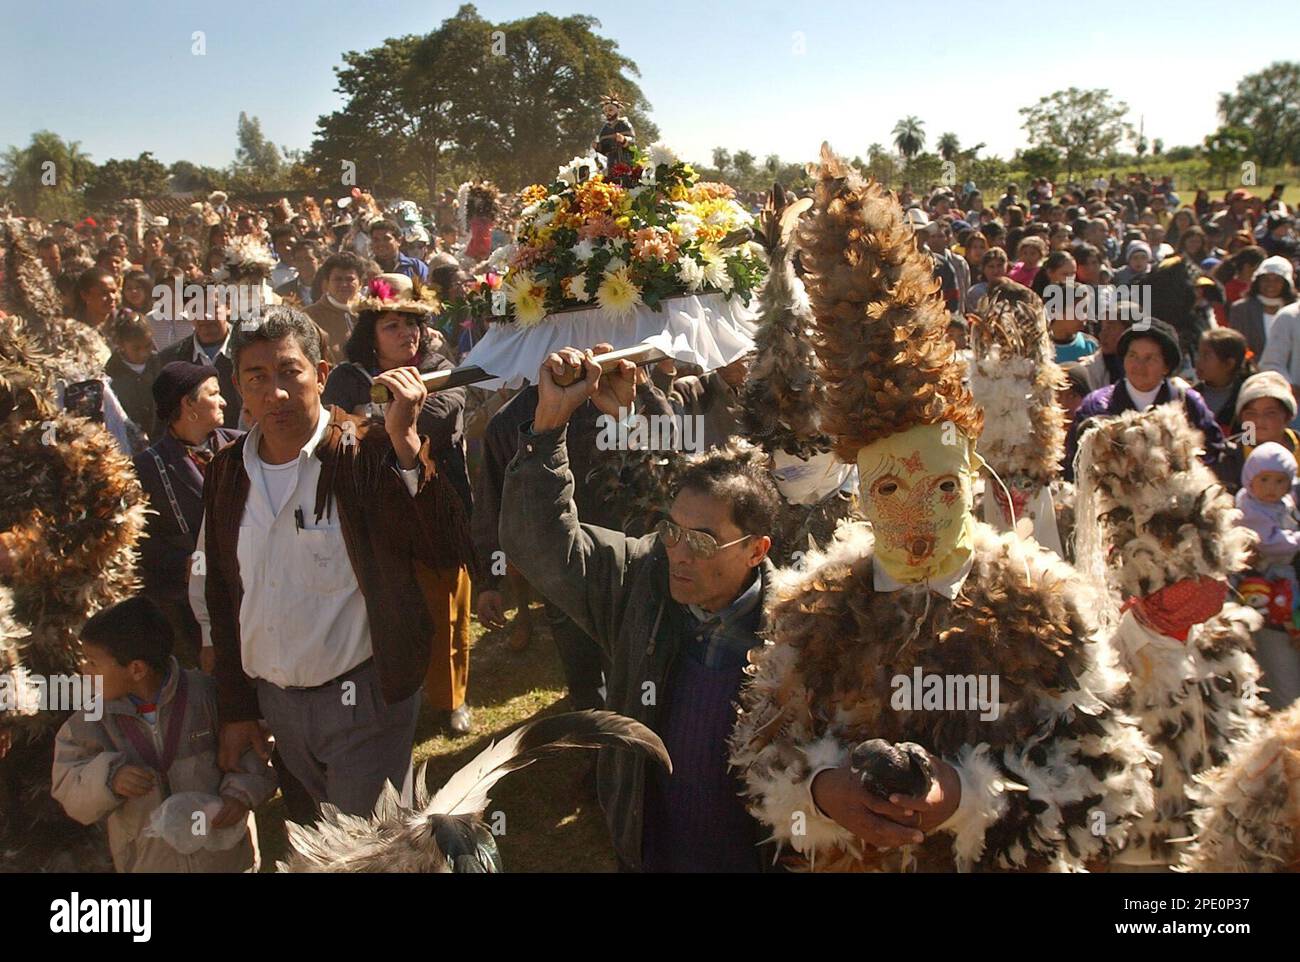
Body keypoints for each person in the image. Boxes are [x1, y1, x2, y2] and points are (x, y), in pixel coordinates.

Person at [499, 345, 779, 871]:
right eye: (671, 530)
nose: (677, 551)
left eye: (700, 540)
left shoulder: (795, 630)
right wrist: (548, 427)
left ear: (756, 550)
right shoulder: (640, 582)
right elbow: (537, 543)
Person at [202, 306, 474, 818]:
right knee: (313, 841)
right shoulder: (226, 474)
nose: (275, 393)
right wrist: (239, 708)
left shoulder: (365, 452)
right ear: (238, 387)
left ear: (322, 374)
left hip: (365, 701)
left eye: (289, 372)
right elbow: (222, 591)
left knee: (364, 851)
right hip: (277, 709)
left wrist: (408, 444)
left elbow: (442, 548)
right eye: (257, 377)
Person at [320, 274, 475, 734]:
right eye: (393, 324)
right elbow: (337, 434)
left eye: (413, 322)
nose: (408, 333)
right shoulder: (349, 378)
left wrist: (371, 419)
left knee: (447, 605)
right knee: (388, 607)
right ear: (371, 333)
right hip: (376, 514)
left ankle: (451, 700)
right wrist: (371, 420)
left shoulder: (446, 371)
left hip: (436, 508)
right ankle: (397, 694)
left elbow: (427, 419)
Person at [50, 596, 276, 873]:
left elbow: (252, 750)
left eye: (93, 663)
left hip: (224, 861)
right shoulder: (90, 721)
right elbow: (68, 785)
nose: (84, 671)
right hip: (148, 863)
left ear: (136, 669)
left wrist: (240, 795)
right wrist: (109, 778)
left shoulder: (207, 696)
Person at [134, 362, 242, 667]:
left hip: (250, 592)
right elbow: (137, 539)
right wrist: (181, 563)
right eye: (214, 393)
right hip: (189, 611)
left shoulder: (240, 447)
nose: (223, 401)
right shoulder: (147, 467)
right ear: (188, 404)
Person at [1066, 318, 1225, 480]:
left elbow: (1213, 452)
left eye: (1150, 358)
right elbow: (1076, 460)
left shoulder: (1187, 404)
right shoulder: (1097, 406)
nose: (1139, 365)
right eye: (1133, 355)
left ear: (1166, 366)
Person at [1234, 443, 1300, 708]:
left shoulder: (1285, 505)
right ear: (1251, 480)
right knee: (1275, 659)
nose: (1272, 488)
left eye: (1279, 481)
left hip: (1286, 584)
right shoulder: (1248, 507)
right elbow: (1270, 542)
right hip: (1262, 589)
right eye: (1264, 480)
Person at [155, 287, 241, 428]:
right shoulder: (172, 359)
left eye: (212, 308)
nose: (205, 316)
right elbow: (164, 419)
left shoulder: (249, 350)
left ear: (228, 307)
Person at [304, 250, 368, 365]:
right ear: (326, 284)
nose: (344, 284)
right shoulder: (310, 317)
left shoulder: (372, 312)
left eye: (350, 279)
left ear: (361, 283)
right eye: (338, 279)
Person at [1230, 255, 1297, 363]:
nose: (1271, 284)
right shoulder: (1241, 309)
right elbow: (1235, 345)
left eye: (1277, 280)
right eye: (1266, 279)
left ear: (1286, 283)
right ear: (1257, 281)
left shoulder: (1295, 311)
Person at [104, 311, 161, 437]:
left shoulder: (161, 364)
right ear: (120, 344)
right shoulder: (110, 374)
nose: (144, 353)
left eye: (148, 346)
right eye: (136, 348)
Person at [1193, 327, 1254, 431]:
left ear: (1229, 364)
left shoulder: (1247, 400)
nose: (1198, 361)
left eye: (1206, 356)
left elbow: (1250, 439)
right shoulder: (1192, 396)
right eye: (1199, 354)